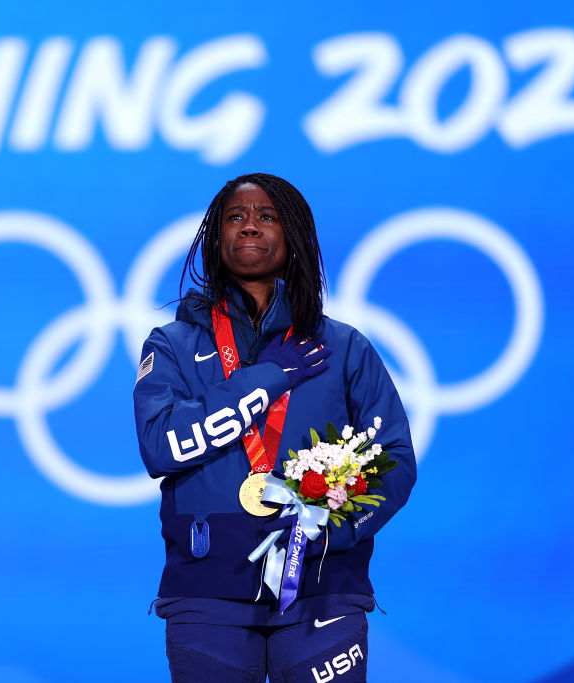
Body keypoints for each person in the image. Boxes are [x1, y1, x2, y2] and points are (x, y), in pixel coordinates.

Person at [133, 173, 416, 682]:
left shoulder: (344, 348)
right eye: (235, 218)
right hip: (207, 594)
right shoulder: (171, 345)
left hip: (322, 591)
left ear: (295, 238)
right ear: (215, 239)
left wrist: (331, 529)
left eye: (267, 216)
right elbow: (161, 446)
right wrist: (270, 377)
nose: (249, 227)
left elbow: (392, 457)